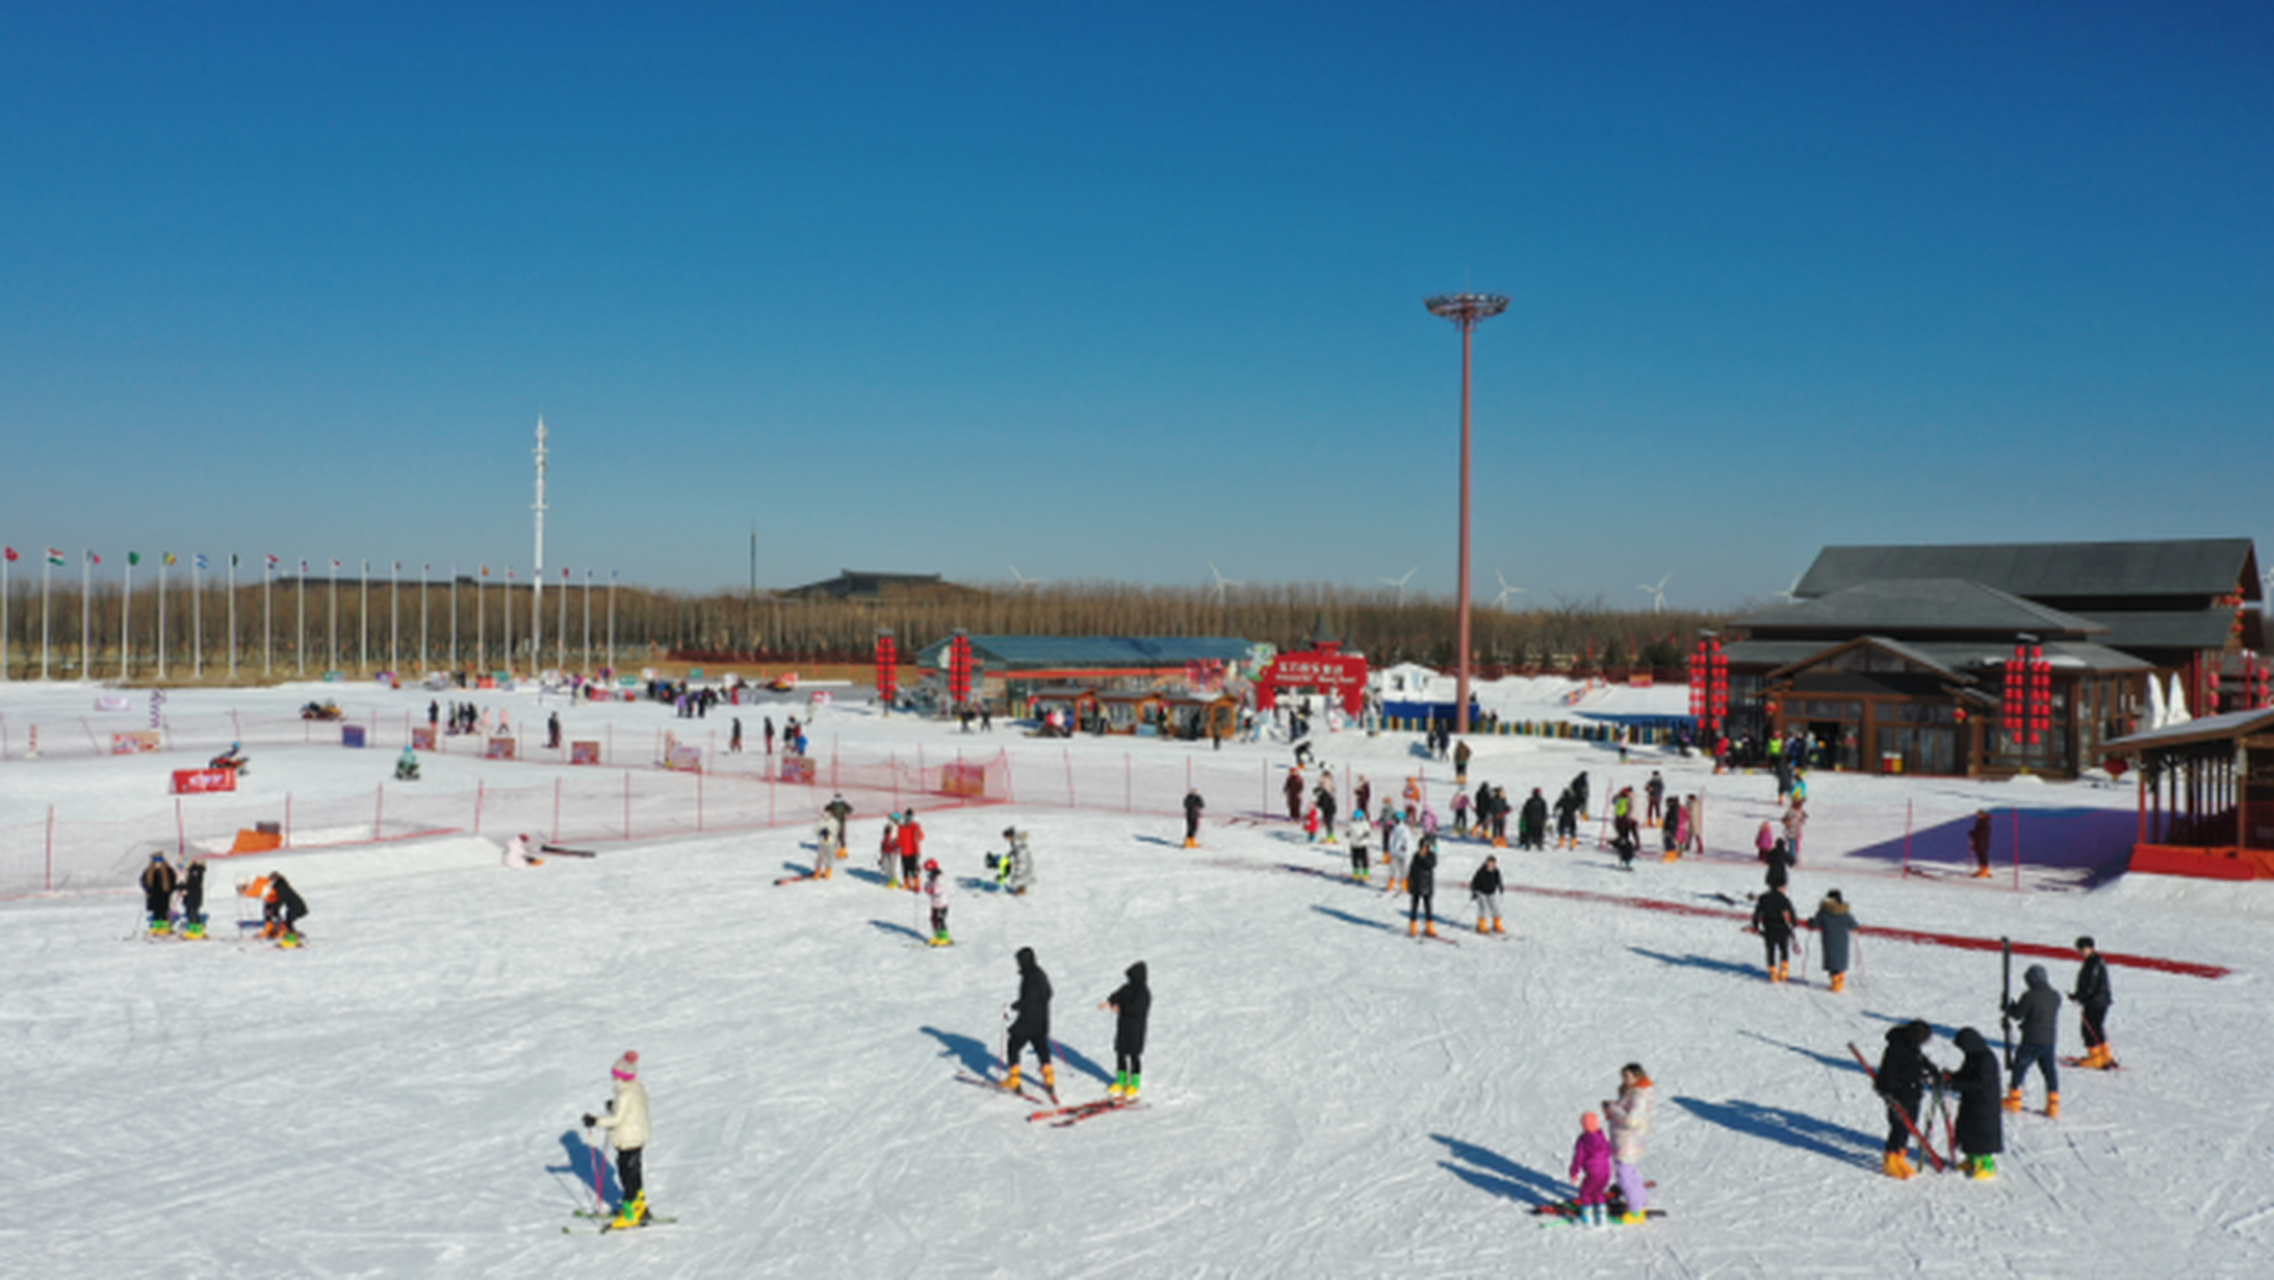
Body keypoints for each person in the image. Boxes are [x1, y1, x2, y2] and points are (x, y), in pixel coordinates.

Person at [584, 1051, 653, 1228]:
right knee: (635, 1170)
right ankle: (641, 1207)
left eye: (615, 1075)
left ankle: (630, 1212)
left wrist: (595, 1121)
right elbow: (632, 1107)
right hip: (638, 1135)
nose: (613, 1078)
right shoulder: (637, 1087)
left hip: (627, 1138)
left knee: (627, 1173)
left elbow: (616, 1120)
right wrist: (613, 1106)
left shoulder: (624, 1095)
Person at [1874, 1020, 1938, 1179]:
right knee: (1898, 1126)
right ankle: (1890, 1158)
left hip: (1913, 1091)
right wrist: (1888, 1093)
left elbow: (1919, 1059)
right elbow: (1888, 1072)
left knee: (1910, 1124)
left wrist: (1933, 1071)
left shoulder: (1911, 1045)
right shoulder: (1896, 1048)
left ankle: (1900, 1155)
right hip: (1898, 1094)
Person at [2003, 963, 2062, 1118]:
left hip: (2031, 1038)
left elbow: (2018, 1014)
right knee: (2049, 1072)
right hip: (2049, 1039)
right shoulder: (2055, 996)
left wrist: (2009, 1008)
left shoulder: (2029, 996)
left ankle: (2014, 1100)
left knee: (2019, 1068)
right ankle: (2053, 1104)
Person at [1950, 1026, 2004, 1179]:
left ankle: (1987, 1165)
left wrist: (1956, 1085)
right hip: (1971, 1101)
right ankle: (1972, 1159)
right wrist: (1952, 1077)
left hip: (1985, 1103)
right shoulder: (1973, 1055)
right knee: (1968, 1130)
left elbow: (1979, 1083)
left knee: (1982, 1133)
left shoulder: (1986, 1059)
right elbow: (1965, 1073)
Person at [1602, 1063, 1653, 1222]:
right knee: (1629, 1171)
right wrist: (1614, 1106)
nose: (1624, 1080)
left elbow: (1631, 1119)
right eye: (1623, 1076)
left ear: (1637, 1076)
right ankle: (1640, 1202)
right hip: (1626, 1139)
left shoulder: (1638, 1095)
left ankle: (1636, 1211)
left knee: (1623, 1175)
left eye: (1627, 1076)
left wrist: (1614, 1109)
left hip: (1628, 1139)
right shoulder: (1635, 1092)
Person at [1003, 946, 1055, 1097]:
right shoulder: (1040, 973)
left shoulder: (1029, 977)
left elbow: (1028, 999)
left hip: (1027, 1021)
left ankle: (1014, 1080)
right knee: (1041, 1047)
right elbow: (1049, 993)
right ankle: (1049, 1078)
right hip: (1042, 1019)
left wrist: (1013, 1006)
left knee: (1013, 1045)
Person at [1103, 961, 1150, 1099]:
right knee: (1120, 1053)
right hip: (1123, 1026)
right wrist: (1110, 1002)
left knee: (1134, 1055)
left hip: (1136, 1029)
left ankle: (1134, 1083)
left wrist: (1121, 1008)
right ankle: (1121, 1080)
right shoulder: (1127, 988)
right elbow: (1118, 995)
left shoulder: (1144, 993)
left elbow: (1137, 1008)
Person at [2071, 936, 2115, 1069]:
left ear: (2091, 948)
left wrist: (2079, 996)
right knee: (2096, 1027)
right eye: (2080, 949)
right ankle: (2105, 1055)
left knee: (2088, 1029)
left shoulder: (2093, 963)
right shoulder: (2095, 961)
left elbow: (2090, 985)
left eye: (2083, 949)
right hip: (2100, 1000)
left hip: (2095, 1001)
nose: (2081, 952)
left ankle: (2096, 1058)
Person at [1809, 889, 1858, 992]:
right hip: (1842, 942)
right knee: (1840, 961)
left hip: (1830, 941)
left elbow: (1815, 923)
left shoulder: (1824, 912)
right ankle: (1841, 978)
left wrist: (1810, 922)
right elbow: (1854, 924)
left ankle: (1835, 982)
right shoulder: (1844, 913)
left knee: (1832, 962)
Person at [1569, 1112, 1612, 1227]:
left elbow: (1578, 1158)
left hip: (1593, 1173)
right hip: (1606, 1173)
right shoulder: (1602, 1137)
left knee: (1585, 1192)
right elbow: (1609, 1150)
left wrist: (1574, 1172)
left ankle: (1587, 1218)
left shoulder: (1583, 1140)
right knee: (1599, 1192)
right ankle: (1602, 1217)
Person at [1751, 878, 1797, 982]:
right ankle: (1784, 970)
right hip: (1782, 929)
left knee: (1770, 951)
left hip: (1769, 928)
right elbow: (1793, 915)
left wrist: (1756, 926)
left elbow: (1757, 914)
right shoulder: (1784, 899)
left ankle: (1772, 972)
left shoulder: (1763, 898)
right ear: (1779, 887)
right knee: (1783, 949)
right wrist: (1792, 924)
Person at [1407, 833, 1439, 938]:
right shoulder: (1416, 856)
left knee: (1428, 907)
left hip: (1427, 885)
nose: (1425, 848)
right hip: (1416, 885)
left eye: (1427, 847)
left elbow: (1431, 864)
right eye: (1424, 846)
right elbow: (1411, 870)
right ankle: (1413, 927)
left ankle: (1429, 926)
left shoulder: (1431, 856)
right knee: (1414, 907)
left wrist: (1423, 857)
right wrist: (1409, 882)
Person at [139, 853, 177, 935]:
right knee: (156, 911)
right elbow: (143, 881)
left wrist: (170, 889)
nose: (158, 863)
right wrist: (147, 889)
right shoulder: (149, 870)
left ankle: (165, 927)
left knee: (163, 911)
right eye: (156, 860)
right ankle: (156, 927)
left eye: (159, 860)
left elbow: (173, 880)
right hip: (153, 894)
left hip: (164, 894)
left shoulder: (168, 870)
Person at [1470, 854, 1505, 935]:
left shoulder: (1496, 871)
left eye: (1492, 863)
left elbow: (1498, 880)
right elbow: (1474, 882)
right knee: (1483, 908)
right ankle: (1481, 925)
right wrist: (1474, 892)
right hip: (1481, 892)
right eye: (1489, 863)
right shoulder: (1481, 871)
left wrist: (1500, 886)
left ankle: (1497, 924)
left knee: (1495, 908)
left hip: (1491, 892)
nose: (1490, 865)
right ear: (1486, 863)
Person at [996, 828, 1034, 896]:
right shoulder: (1015, 841)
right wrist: (1009, 855)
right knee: (1021, 877)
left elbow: (1021, 855)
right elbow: (1015, 850)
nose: (1006, 839)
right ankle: (1021, 890)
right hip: (1023, 861)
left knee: (1019, 876)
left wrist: (1015, 864)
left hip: (1023, 862)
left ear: (1011, 836)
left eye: (1007, 837)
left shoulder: (1017, 842)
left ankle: (1021, 891)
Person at [924, 859, 951, 946]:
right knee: (933, 919)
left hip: (942, 904)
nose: (928, 874)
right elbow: (927, 885)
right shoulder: (931, 878)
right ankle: (937, 936)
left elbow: (941, 888)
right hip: (934, 903)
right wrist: (926, 888)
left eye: (929, 871)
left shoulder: (940, 878)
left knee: (940, 919)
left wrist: (933, 890)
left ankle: (945, 937)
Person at [1384, 814, 1412, 896]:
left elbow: (1407, 840)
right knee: (1393, 869)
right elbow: (1392, 840)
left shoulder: (1404, 829)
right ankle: (1391, 884)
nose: (1394, 821)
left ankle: (1404, 885)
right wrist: (1390, 850)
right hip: (1394, 853)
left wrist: (1405, 846)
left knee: (1403, 870)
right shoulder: (1394, 828)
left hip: (1403, 853)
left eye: (1396, 819)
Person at [179, 860, 208, 938]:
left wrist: (182, 886)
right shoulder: (191, 872)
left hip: (194, 896)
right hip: (190, 896)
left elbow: (192, 884)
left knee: (193, 912)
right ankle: (193, 929)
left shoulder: (195, 871)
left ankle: (197, 930)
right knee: (190, 912)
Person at [898, 809, 925, 892]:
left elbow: (921, 837)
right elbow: (899, 839)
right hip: (904, 852)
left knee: (914, 869)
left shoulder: (915, 826)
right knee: (905, 869)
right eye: (906, 817)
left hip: (913, 852)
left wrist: (918, 829)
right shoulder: (901, 827)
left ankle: (916, 884)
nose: (908, 819)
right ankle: (906, 883)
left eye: (910, 817)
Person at [1345, 810, 1373, 881]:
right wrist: (1347, 833)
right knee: (1355, 860)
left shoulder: (1364, 823)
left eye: (1358, 818)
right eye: (1355, 818)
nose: (1356, 819)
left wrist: (1366, 834)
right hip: (1354, 844)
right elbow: (1348, 830)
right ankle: (1356, 873)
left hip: (1362, 844)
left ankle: (1365, 874)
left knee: (1363, 860)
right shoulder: (1351, 824)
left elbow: (1367, 830)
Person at [879, 813, 903, 887]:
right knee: (887, 864)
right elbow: (886, 837)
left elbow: (899, 839)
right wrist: (883, 844)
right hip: (887, 847)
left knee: (892, 865)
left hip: (894, 849)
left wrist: (895, 844)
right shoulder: (888, 827)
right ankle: (892, 878)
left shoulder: (899, 827)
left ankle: (894, 880)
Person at [1969, 809, 1994, 878]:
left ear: (1983, 815)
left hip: (1982, 842)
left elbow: (1982, 834)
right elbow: (1978, 832)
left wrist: (1975, 835)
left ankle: (1985, 871)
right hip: (1979, 841)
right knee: (1980, 856)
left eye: (1980, 814)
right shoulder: (1980, 822)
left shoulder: (1985, 823)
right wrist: (1973, 833)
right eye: (1978, 814)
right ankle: (1982, 870)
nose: (1978, 816)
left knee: (1983, 856)